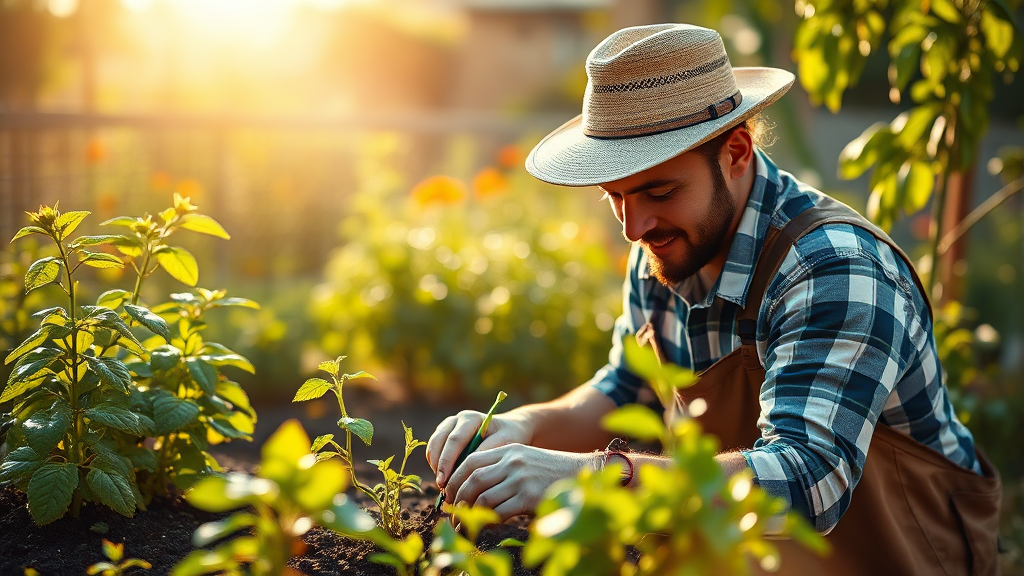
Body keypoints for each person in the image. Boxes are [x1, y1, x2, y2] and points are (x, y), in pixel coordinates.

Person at [426, 23, 1001, 575]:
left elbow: (807, 482)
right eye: (615, 196)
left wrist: (590, 476)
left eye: (659, 190)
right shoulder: (663, 246)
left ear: (736, 151)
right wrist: (525, 428)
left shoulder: (834, 268)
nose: (633, 226)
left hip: (891, 557)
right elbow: (626, 390)